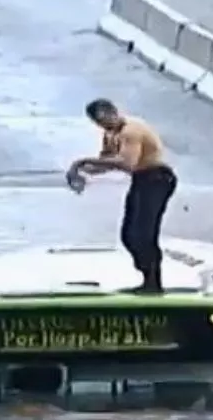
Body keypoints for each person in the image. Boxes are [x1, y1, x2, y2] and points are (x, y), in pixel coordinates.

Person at [67, 99, 177, 293]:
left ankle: (154, 281)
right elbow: (105, 162)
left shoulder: (131, 130)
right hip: (141, 179)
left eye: (106, 120)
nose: (104, 125)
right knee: (128, 235)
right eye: (100, 123)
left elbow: (127, 163)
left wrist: (81, 161)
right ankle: (146, 274)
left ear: (113, 112)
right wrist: (80, 172)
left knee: (144, 233)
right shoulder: (110, 134)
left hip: (157, 178)